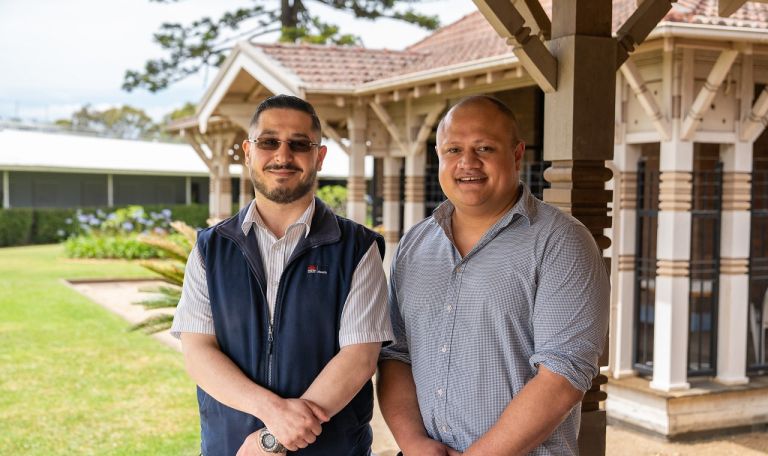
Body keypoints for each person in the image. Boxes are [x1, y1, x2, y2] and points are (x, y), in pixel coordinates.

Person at [378, 95, 610, 456]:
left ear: (517, 154)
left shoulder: (561, 242)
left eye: (484, 147)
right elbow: (396, 355)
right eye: (453, 149)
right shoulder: (414, 245)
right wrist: (414, 444)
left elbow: (563, 375)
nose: (467, 162)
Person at [171, 94, 393, 456]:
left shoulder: (357, 248)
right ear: (247, 151)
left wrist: (271, 440)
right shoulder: (211, 249)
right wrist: (271, 412)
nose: (283, 155)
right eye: (269, 142)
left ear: (318, 156)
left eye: (299, 144)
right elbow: (198, 352)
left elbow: (359, 358)